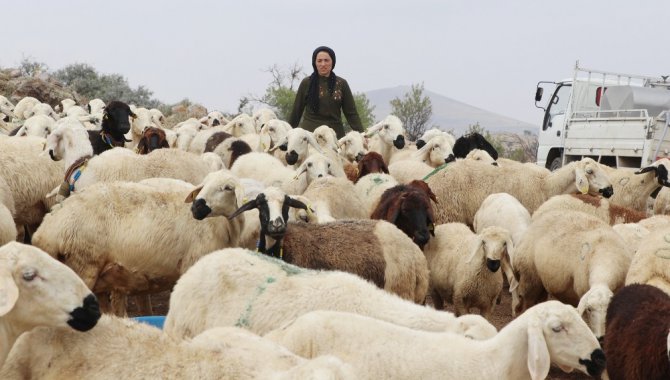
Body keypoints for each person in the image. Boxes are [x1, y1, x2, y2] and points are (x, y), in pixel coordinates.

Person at [288, 46, 364, 139]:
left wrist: (362, 135)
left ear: (332, 62)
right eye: (319, 61)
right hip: (309, 137)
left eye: (326, 60)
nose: (323, 64)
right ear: (314, 63)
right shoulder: (306, 83)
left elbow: (351, 114)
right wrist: (288, 136)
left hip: (335, 137)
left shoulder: (341, 83)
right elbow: (296, 112)